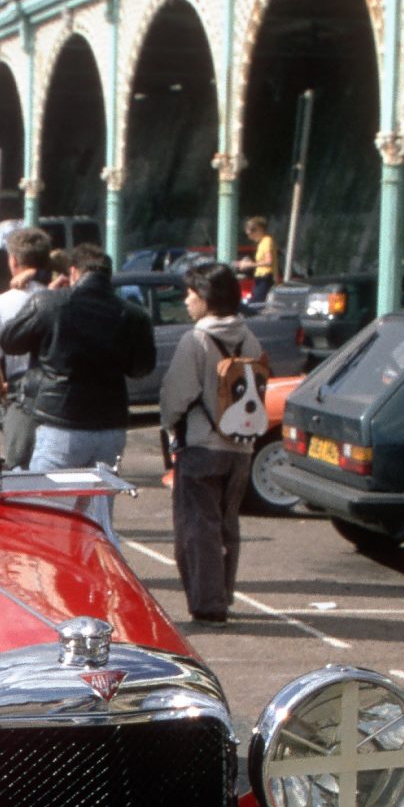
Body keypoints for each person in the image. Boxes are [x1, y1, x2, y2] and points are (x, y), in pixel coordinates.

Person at [0, 242, 153, 535]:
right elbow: (141, 368)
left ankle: (49, 572)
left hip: (61, 419)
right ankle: (94, 572)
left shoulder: (51, 304)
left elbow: (10, 339)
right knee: (98, 516)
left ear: (73, 272)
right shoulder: (132, 314)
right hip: (110, 424)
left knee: (46, 510)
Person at [159, 262, 269, 624]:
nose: (187, 301)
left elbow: (176, 395)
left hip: (201, 445)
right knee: (226, 523)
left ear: (206, 297)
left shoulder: (197, 340)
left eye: (191, 294)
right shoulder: (248, 337)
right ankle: (223, 592)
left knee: (197, 528)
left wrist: (169, 425)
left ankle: (209, 604)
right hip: (239, 447)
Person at [0, 226, 51, 468]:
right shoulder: (61, 298)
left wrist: (1, 392)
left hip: (21, 393)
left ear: (14, 260)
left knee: (20, 466)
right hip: (59, 392)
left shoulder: (0, 304)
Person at [243, 216, 276, 306]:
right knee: (254, 301)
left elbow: (268, 261)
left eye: (250, 234)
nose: (250, 237)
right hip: (259, 277)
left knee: (256, 304)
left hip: (265, 276)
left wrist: (250, 264)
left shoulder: (267, 241)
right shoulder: (261, 243)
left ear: (258, 230)